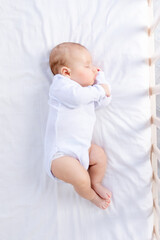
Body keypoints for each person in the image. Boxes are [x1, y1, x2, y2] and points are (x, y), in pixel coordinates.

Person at [44, 42, 112, 209]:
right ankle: (91, 196)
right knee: (82, 179)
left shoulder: (85, 95)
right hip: (60, 155)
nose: (92, 69)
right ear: (66, 72)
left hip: (83, 149)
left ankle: (95, 182)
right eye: (87, 66)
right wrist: (100, 90)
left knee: (99, 155)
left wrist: (100, 81)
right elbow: (77, 98)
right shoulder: (62, 86)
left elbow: (104, 101)